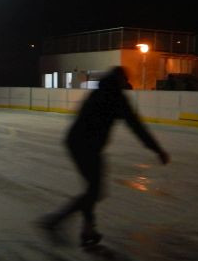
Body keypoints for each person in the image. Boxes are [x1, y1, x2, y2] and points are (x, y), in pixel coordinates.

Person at [40, 66, 170, 247]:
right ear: (119, 80)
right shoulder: (115, 97)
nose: (126, 83)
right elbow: (136, 126)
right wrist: (157, 150)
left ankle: (87, 230)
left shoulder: (99, 92)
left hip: (77, 142)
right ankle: (55, 221)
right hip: (87, 146)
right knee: (94, 191)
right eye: (125, 79)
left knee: (91, 189)